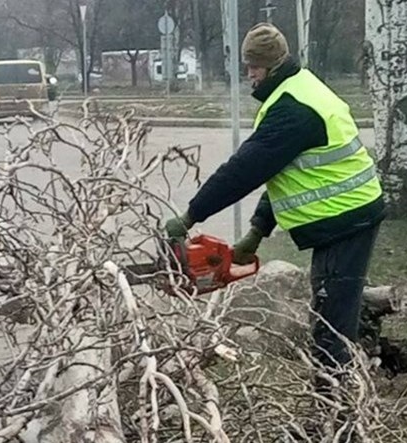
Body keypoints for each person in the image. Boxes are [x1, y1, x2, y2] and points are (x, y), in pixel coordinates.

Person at [165, 23, 385, 381]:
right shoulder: (298, 89)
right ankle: (339, 402)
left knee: (330, 326)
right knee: (331, 315)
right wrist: (257, 231)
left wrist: (190, 216)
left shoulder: (292, 110)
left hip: (347, 220)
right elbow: (290, 173)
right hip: (346, 215)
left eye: (255, 66)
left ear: (274, 65)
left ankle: (339, 420)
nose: (249, 73)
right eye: (248, 65)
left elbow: (243, 171)